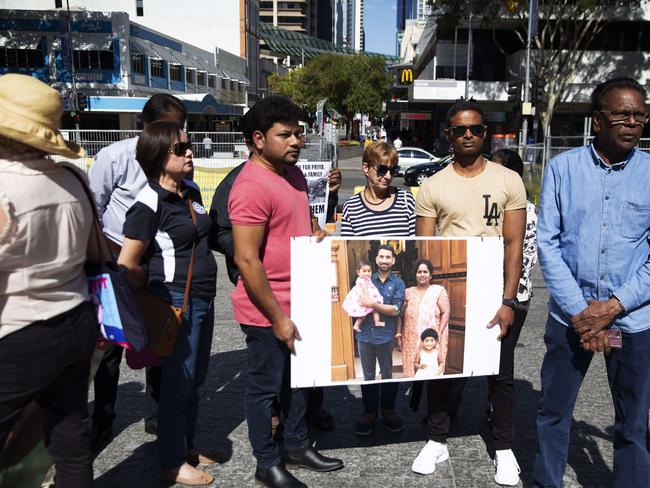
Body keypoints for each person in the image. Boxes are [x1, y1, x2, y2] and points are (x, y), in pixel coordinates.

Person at [534, 77, 650, 488]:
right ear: (598, 119)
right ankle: (547, 481)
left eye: (640, 114)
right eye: (622, 114)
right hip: (571, 320)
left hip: (631, 323)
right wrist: (583, 313)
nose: (632, 123)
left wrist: (613, 307)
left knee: (634, 424)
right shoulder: (562, 169)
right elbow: (546, 244)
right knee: (553, 411)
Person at [229, 95, 343, 488]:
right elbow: (246, 260)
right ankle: (267, 462)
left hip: (303, 300)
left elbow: (303, 222)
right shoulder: (250, 185)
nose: (296, 141)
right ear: (258, 139)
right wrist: (277, 317)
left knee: (301, 381)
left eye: (298, 133)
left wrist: (314, 232)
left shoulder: (291, 174)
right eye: (286, 134)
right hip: (267, 311)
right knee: (264, 388)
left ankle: (296, 445)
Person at [413, 99, 526, 485]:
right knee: (443, 368)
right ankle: (437, 438)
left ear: (485, 133)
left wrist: (508, 300)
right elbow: (423, 248)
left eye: (475, 129)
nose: (467, 135)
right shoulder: (431, 186)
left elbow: (515, 246)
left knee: (502, 375)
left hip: (496, 291)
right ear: (448, 135)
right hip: (450, 287)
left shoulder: (508, 181)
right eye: (459, 130)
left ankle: (505, 449)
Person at [0, 73, 98, 487]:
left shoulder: (4, 187)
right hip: (75, 318)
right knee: (69, 433)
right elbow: (96, 255)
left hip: (17, 329)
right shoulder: (71, 178)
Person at [118, 121, 218, 486]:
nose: (189, 152)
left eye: (188, 146)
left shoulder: (190, 190)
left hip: (203, 298)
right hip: (176, 302)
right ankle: (172, 463)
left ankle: (186, 447)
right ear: (160, 157)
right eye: (180, 149)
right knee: (179, 383)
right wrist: (154, 288)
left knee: (195, 380)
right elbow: (127, 263)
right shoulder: (147, 203)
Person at [87, 93, 187, 449]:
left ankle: (157, 417)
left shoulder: (180, 157)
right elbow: (93, 207)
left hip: (159, 263)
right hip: (118, 260)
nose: (176, 136)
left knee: (160, 335)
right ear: (146, 126)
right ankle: (104, 416)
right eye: (167, 128)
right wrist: (109, 255)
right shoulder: (114, 156)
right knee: (112, 344)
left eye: (180, 127)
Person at [350, 245, 406, 435]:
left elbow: (396, 310)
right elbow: (356, 302)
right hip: (365, 335)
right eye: (381, 256)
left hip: (385, 336)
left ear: (393, 261)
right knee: (368, 376)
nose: (384, 260)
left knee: (388, 373)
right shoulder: (365, 279)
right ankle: (370, 412)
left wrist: (373, 304)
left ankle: (388, 410)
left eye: (388, 257)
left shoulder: (398, 283)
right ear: (376, 259)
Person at [341, 141, 415, 237]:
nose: (388, 176)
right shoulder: (351, 207)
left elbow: (416, 246)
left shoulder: (406, 201)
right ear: (366, 168)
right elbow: (348, 248)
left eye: (393, 170)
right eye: (382, 169)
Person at [401, 259, 450, 378]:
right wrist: (398, 334)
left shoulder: (438, 291)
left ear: (430, 275)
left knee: (432, 371)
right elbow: (400, 315)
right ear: (415, 275)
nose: (422, 274)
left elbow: (446, 312)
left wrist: (438, 333)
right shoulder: (407, 292)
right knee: (413, 370)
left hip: (433, 338)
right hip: (411, 338)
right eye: (419, 272)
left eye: (425, 272)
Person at [342, 260, 384, 332]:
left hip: (365, 296)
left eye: (369, 271)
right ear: (358, 272)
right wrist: (369, 300)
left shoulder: (364, 279)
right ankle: (376, 322)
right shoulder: (362, 281)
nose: (367, 273)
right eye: (364, 271)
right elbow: (365, 290)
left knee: (367, 313)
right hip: (366, 297)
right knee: (373, 310)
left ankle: (357, 325)